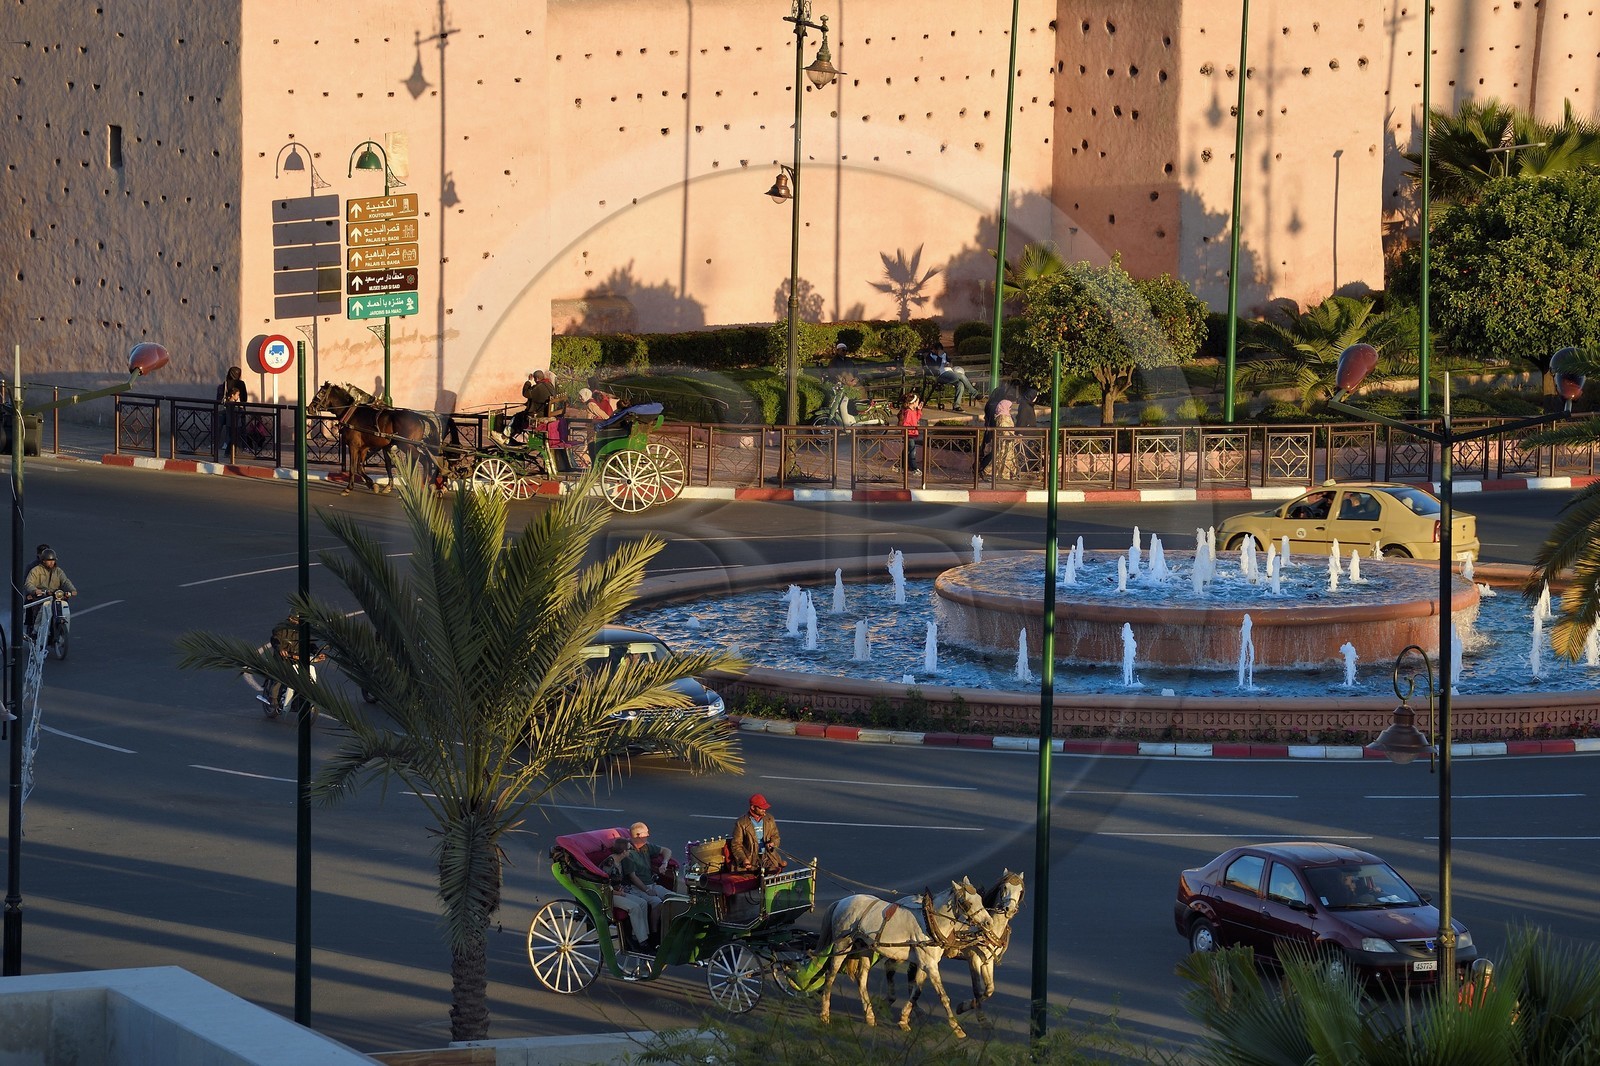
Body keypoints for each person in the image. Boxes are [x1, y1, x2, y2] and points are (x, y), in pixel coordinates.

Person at [260, 610, 320, 715]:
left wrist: (316, 652)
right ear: (291, 618)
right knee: (281, 675)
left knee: (307, 674)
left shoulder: (303, 631)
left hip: (297, 659)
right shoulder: (281, 629)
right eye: (296, 620)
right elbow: (275, 639)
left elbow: (309, 644)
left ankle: (299, 699)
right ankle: (273, 697)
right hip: (282, 659)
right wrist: (280, 649)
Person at [601, 837, 653, 950]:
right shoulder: (609, 863)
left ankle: (639, 934)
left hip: (618, 892)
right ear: (624, 852)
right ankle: (642, 941)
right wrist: (616, 893)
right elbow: (603, 884)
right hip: (609, 895)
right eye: (629, 849)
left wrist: (621, 890)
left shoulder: (621, 861)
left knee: (643, 903)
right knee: (634, 907)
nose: (630, 851)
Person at [24, 548, 76, 638]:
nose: (52, 562)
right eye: (49, 560)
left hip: (56, 595)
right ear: (43, 561)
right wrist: (35, 590)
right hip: (42, 596)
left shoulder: (58, 571)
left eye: (53, 560)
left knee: (64, 605)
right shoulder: (36, 570)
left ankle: (62, 630)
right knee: (45, 607)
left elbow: (65, 581)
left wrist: (72, 590)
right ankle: (35, 631)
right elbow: (28, 583)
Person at [730, 793, 785, 874]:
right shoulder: (741, 823)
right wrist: (743, 859)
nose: (764, 810)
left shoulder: (769, 819)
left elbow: (775, 836)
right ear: (752, 807)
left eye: (765, 808)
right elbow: (736, 845)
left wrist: (773, 843)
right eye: (761, 808)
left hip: (768, 855)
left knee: (774, 873)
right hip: (751, 858)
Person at [216, 366, 248, 455]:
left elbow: (223, 395)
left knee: (229, 427)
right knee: (241, 427)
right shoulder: (241, 383)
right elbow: (244, 397)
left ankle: (226, 446)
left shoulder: (226, 382)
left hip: (228, 408)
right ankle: (242, 446)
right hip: (239, 408)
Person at [898, 392, 924, 477]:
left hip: (911, 434)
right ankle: (914, 468)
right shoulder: (908, 412)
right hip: (909, 434)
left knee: (907, 450)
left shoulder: (912, 411)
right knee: (912, 451)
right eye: (917, 402)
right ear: (913, 402)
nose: (918, 403)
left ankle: (899, 466)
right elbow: (906, 424)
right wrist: (913, 428)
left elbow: (916, 418)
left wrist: (919, 410)